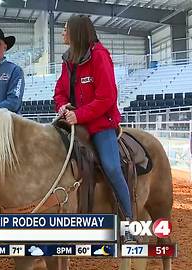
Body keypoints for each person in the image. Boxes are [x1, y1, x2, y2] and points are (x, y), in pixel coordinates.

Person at [53, 15, 134, 236]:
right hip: (72, 120)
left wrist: (78, 115)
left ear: (76, 32)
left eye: (66, 29)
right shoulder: (68, 58)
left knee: (111, 167)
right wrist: (62, 107)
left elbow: (107, 97)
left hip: (100, 124)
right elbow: (59, 90)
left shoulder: (99, 55)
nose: (63, 33)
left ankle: (129, 222)